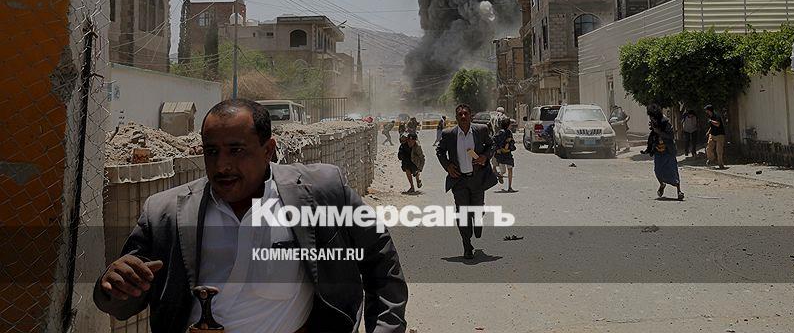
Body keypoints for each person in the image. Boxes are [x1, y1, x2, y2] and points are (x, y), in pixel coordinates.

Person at [93, 98, 408, 332]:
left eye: (236, 150)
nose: (222, 165)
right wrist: (114, 285)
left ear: (268, 150)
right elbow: (122, 303)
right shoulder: (165, 213)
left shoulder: (321, 192)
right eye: (212, 151)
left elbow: (381, 262)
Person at [436, 104, 497, 260]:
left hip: (477, 179)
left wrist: (485, 157)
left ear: (471, 116)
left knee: (477, 209)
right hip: (459, 180)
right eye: (460, 114)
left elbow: (492, 145)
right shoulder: (449, 134)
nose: (463, 116)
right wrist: (447, 166)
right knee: (462, 213)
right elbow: (440, 151)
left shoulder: (481, 130)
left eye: (465, 114)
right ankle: (467, 245)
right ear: (456, 117)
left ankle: (478, 219)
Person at [646, 103, 684, 201]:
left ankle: (679, 191)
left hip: (668, 150)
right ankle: (662, 184)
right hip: (658, 151)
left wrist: (659, 132)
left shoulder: (666, 122)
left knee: (673, 170)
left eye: (652, 117)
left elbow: (671, 136)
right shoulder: (654, 122)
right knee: (658, 171)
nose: (651, 118)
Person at [492, 116, 516, 192]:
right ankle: (500, 175)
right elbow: (494, 140)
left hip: (508, 154)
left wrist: (510, 143)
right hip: (502, 155)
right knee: (503, 171)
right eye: (510, 124)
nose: (511, 125)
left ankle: (510, 187)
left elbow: (512, 141)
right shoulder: (501, 132)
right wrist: (497, 149)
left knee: (510, 169)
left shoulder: (509, 132)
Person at [705, 104, 727, 169]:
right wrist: (708, 132)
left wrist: (711, 121)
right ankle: (712, 159)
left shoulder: (717, 116)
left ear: (709, 110)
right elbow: (712, 126)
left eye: (707, 110)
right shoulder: (710, 116)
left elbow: (717, 124)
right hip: (712, 135)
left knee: (719, 151)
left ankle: (720, 164)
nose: (706, 112)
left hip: (720, 135)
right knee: (708, 149)